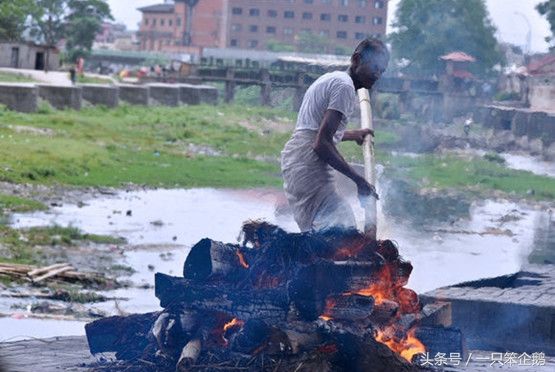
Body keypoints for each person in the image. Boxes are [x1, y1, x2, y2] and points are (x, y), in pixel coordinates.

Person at [281, 38, 389, 232]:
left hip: (298, 159)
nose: (377, 74)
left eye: (382, 70)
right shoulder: (344, 86)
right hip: (308, 162)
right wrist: (359, 181)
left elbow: (317, 130)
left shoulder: (333, 79)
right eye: (374, 66)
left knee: (326, 229)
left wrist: (352, 134)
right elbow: (321, 143)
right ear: (356, 60)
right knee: (341, 225)